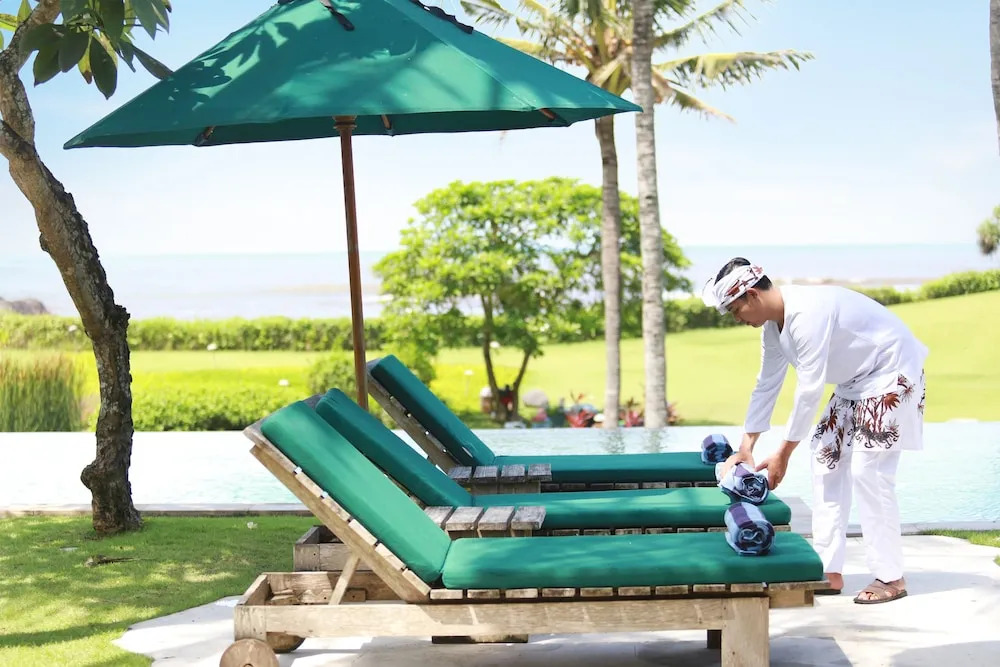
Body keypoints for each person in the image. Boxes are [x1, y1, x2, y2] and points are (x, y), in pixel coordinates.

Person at [705, 258, 928, 605]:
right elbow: (767, 384)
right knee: (826, 460)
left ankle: (891, 577)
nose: (737, 319)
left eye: (736, 310)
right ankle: (828, 569)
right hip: (855, 382)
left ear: (752, 295)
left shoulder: (807, 314)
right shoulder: (773, 327)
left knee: (869, 472)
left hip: (891, 372)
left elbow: (809, 390)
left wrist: (783, 453)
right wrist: (747, 446)